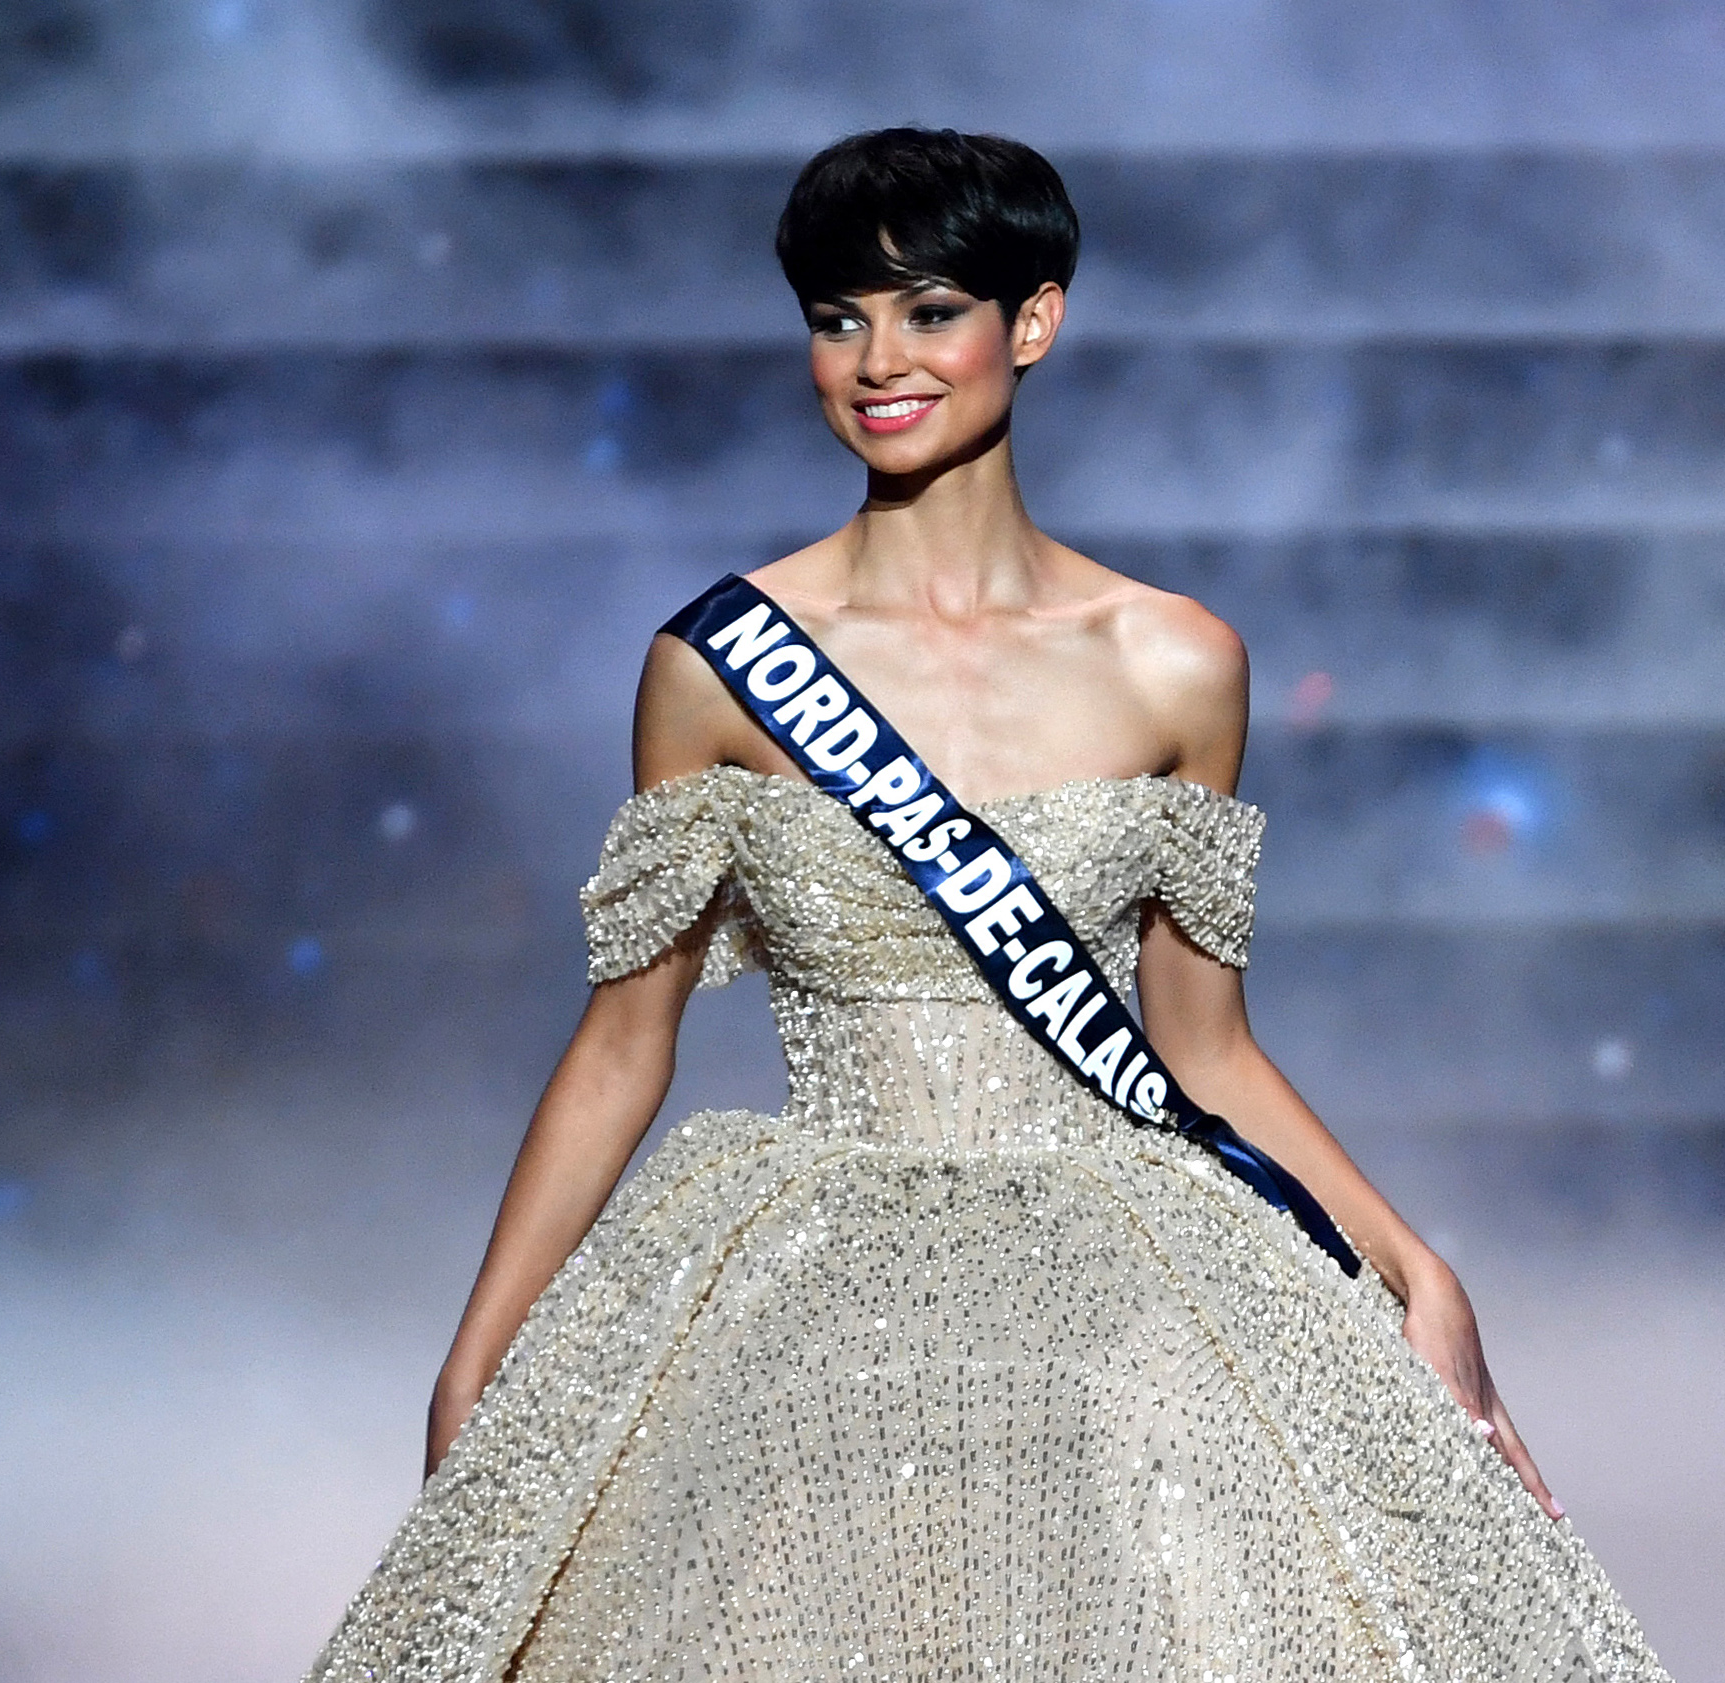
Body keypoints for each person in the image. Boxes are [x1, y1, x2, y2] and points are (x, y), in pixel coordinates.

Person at [308, 128, 1669, 1682]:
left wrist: (1418, 1269)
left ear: (1034, 322)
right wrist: (477, 1357)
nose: (878, 361)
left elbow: (1205, 1049)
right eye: (838, 318)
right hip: (806, 1295)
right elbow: (626, 1043)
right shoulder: (715, 669)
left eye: (930, 309)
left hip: (1121, 1283)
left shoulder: (1176, 663)